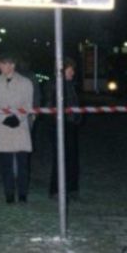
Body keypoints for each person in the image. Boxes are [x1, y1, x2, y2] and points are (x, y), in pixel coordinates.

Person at [0, 54, 34, 204]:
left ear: (12, 65)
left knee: (23, 164)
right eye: (0, 64)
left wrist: (17, 118)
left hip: (20, 127)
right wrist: (5, 118)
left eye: (3, 64)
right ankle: (8, 194)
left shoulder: (26, 82)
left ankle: (22, 194)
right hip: (2, 127)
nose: (0, 66)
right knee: (5, 164)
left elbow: (28, 104)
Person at [43, 57, 83, 200]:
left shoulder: (71, 85)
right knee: (60, 158)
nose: (73, 73)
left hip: (70, 125)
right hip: (59, 126)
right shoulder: (53, 85)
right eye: (70, 70)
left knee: (72, 158)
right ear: (63, 70)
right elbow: (49, 106)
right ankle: (56, 189)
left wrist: (77, 117)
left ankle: (71, 188)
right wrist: (57, 122)